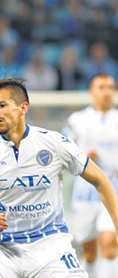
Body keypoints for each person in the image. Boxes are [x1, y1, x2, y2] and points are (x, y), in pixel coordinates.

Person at [0, 77, 118, 278]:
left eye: (2, 105)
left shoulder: (54, 143)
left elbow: (100, 180)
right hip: (3, 250)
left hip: (50, 248)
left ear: (23, 108)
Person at [62, 75, 118, 278]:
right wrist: (83, 158)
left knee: (110, 246)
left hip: (114, 189)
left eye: (110, 87)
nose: (106, 92)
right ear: (91, 92)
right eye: (101, 87)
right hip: (85, 191)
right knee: (90, 252)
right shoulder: (77, 120)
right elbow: (62, 154)